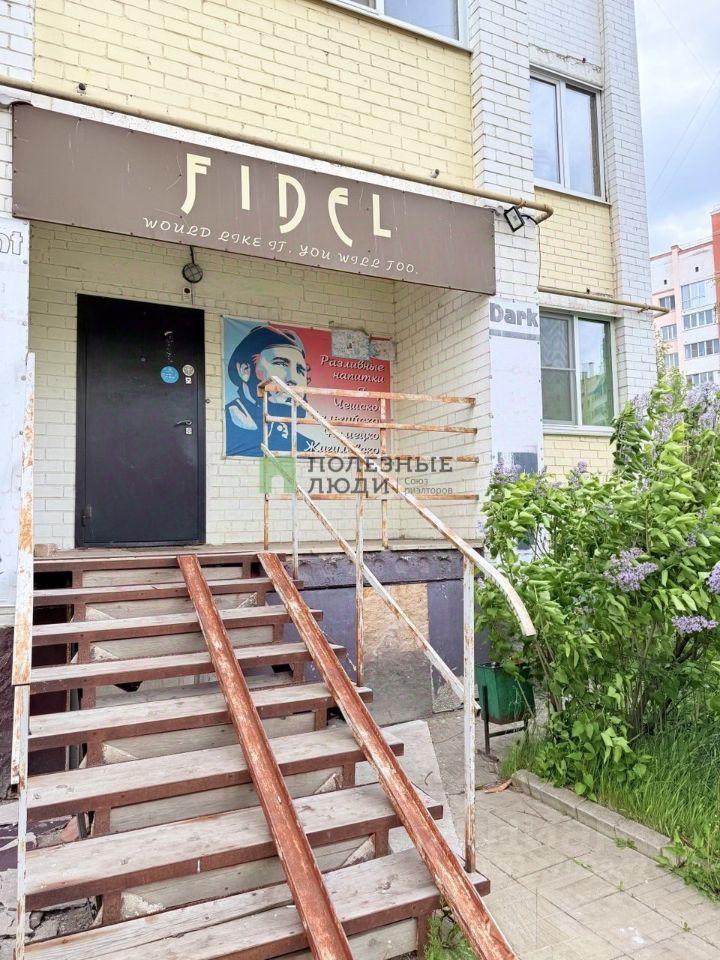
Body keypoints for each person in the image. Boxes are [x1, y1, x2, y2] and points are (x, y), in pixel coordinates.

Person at [225, 324, 315, 456]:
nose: (293, 379)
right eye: (281, 364)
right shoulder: (227, 426)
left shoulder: (306, 446)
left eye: (300, 370)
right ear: (245, 370)